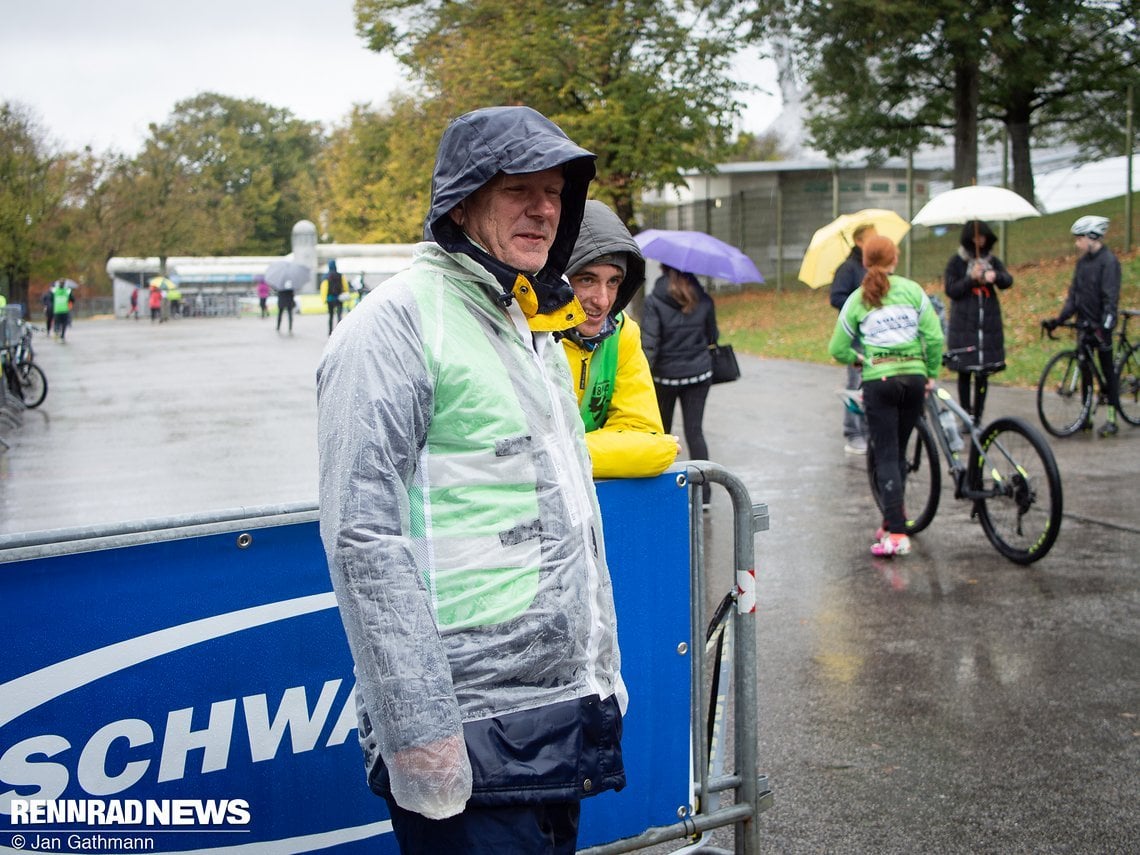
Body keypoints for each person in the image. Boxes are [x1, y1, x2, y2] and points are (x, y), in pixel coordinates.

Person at [316, 106, 625, 855]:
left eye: (555, 191)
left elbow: (569, 516)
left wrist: (602, 683)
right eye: (519, 187)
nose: (544, 207)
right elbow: (362, 537)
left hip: (556, 721)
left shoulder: (530, 327)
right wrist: (420, 732)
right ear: (461, 201)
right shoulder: (393, 325)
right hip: (465, 737)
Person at [828, 235, 944, 557]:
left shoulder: (857, 298)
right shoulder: (913, 290)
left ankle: (896, 534)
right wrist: (930, 372)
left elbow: (837, 348)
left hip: (879, 380)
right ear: (895, 260)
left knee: (887, 454)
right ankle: (893, 519)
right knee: (899, 451)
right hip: (913, 379)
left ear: (864, 263)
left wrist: (858, 359)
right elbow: (934, 337)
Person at [560, 200, 680, 478]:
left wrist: (559, 455)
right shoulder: (526, 333)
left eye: (613, 281)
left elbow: (648, 439)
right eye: (587, 280)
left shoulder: (621, 332)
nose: (602, 300)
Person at [640, 263, 719, 506]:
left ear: (663, 269)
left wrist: (643, 376)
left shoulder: (654, 300)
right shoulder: (703, 299)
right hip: (698, 376)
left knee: (662, 434)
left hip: (665, 378)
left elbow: (650, 343)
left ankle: (663, 493)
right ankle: (704, 495)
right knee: (695, 432)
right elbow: (713, 336)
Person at [1042, 215, 1122, 437]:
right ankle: (1086, 416)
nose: (1077, 244)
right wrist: (1058, 320)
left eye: (1079, 239)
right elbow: (1073, 298)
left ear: (1092, 237)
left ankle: (1112, 418)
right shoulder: (1082, 263)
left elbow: (1110, 298)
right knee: (1085, 372)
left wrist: (1106, 325)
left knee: (1107, 371)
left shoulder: (1108, 261)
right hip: (1083, 326)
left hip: (1100, 326)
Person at [943, 220, 1013, 425]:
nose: (979, 241)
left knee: (983, 372)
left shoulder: (992, 260)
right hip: (964, 323)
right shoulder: (957, 262)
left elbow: (1008, 280)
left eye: (982, 237)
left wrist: (995, 276)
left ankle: (978, 415)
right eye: (975, 237)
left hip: (987, 323)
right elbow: (951, 289)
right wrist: (971, 279)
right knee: (965, 371)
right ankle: (966, 413)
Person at [829, 223, 877, 454]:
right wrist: (860, 303)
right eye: (871, 237)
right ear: (859, 241)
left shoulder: (874, 268)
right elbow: (836, 297)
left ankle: (870, 431)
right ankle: (853, 432)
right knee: (855, 383)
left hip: (875, 336)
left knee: (873, 385)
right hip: (856, 336)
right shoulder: (848, 269)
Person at [321, 260, 348, 335]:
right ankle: (339, 332)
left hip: (330, 299)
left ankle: (330, 332)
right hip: (339, 298)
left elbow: (324, 288)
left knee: (331, 316)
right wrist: (345, 293)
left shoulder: (326, 276)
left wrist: (324, 299)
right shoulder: (340, 275)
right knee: (339, 315)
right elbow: (345, 286)